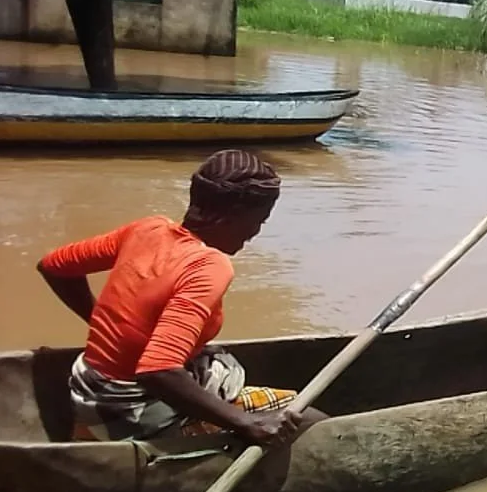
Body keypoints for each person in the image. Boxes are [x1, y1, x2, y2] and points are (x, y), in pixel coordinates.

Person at [37, 148, 325, 445]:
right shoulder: (208, 266)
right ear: (232, 215)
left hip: (89, 389)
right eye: (258, 220)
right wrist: (247, 424)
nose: (255, 233)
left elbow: (54, 266)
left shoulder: (147, 229)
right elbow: (158, 370)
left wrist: (104, 323)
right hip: (128, 410)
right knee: (307, 418)